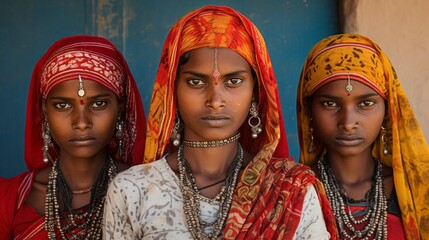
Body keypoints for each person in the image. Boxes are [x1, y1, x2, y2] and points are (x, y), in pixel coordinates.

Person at [104, 5, 338, 239]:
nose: (215, 101)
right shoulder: (132, 190)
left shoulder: (290, 190)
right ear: (171, 90)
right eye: (196, 82)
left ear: (255, 92)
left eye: (234, 81)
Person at [0, 35, 146, 239]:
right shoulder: (8, 199)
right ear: (44, 111)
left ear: (119, 109)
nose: (82, 122)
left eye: (99, 104)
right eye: (62, 105)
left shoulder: (149, 191)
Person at [296, 33, 429, 239]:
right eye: (330, 104)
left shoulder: (418, 189)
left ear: (388, 111)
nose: (348, 123)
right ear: (309, 112)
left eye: (365, 104)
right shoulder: (290, 192)